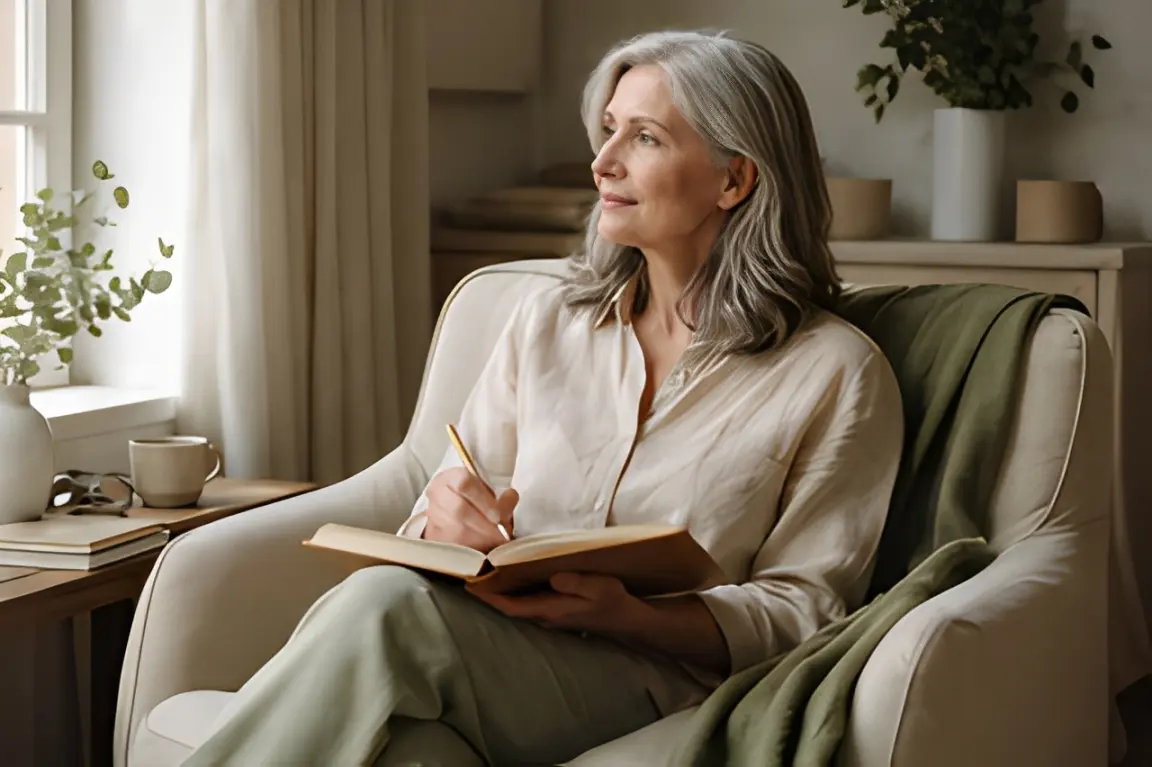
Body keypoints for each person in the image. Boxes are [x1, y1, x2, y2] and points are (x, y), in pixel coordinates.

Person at [183, 29, 904, 767]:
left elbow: (807, 610)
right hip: (494, 649)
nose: (603, 162)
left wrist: (630, 615)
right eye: (608, 129)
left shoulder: (836, 372)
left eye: (645, 137)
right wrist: (445, 520)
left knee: (382, 607)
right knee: (410, 746)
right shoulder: (549, 322)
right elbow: (450, 496)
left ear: (735, 179)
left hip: (658, 680)